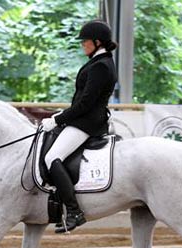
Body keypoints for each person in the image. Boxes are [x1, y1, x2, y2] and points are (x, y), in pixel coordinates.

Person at [41, 19, 118, 234]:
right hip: (84, 119)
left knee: (51, 158)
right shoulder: (99, 62)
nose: (82, 44)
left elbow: (85, 103)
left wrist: (58, 120)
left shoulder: (101, 66)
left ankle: (74, 211)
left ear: (97, 42)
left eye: (85, 41)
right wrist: (62, 115)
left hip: (87, 123)